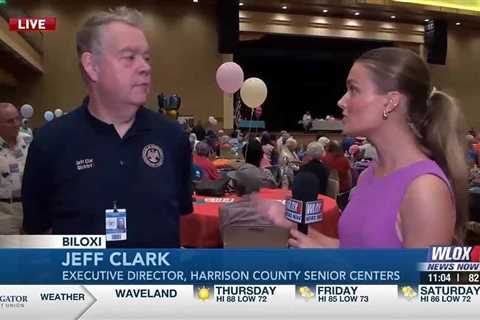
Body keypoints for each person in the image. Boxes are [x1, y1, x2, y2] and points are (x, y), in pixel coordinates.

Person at [22, 7, 193, 248]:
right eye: (129, 57)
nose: (145, 67)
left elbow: (182, 220)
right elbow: (38, 234)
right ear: (92, 65)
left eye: (146, 57)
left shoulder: (173, 137)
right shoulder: (50, 143)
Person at [284, 47, 468, 248]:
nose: (341, 101)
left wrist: (330, 262)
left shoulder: (425, 189)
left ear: (390, 102)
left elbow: (418, 279)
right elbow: (360, 252)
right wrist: (311, 238)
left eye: (353, 90)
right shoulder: (368, 176)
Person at [0, 103, 32, 234]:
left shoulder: (28, 140)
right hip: (5, 212)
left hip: (30, 209)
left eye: (17, 118)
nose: (16, 123)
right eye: (10, 121)